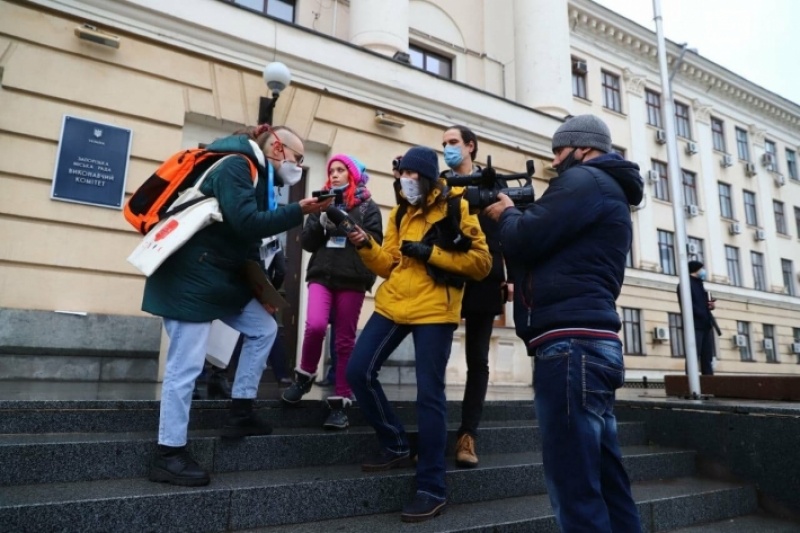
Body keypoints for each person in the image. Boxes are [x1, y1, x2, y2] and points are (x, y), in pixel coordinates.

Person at [142, 124, 332, 487]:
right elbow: (246, 224)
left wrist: (263, 292)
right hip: (190, 278)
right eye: (297, 157)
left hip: (216, 278)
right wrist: (300, 209)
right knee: (186, 366)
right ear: (277, 147)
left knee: (263, 329)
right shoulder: (235, 165)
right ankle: (168, 454)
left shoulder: (256, 174)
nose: (298, 165)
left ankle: (241, 410)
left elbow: (246, 243)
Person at [486, 114, 644, 532]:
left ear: (583, 147)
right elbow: (557, 252)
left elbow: (523, 238)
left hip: (571, 348)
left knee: (574, 486)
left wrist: (505, 213)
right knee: (608, 481)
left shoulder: (585, 181)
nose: (554, 162)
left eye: (559, 151)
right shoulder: (607, 190)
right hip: (592, 344)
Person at [345, 146, 492, 523]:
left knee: (430, 395)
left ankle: (431, 486)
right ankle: (394, 442)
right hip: (393, 303)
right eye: (401, 175)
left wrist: (431, 253)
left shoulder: (457, 206)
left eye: (411, 175)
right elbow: (389, 264)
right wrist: (365, 246)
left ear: (426, 178)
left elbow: (481, 263)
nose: (404, 181)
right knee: (358, 371)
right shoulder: (399, 212)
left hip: (434, 310)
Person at [281, 154, 383, 430]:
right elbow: (307, 243)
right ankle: (304, 377)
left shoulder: (368, 207)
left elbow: (376, 246)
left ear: (352, 175)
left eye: (341, 170)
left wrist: (352, 229)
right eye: (332, 170)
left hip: (352, 279)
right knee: (314, 326)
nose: (335, 174)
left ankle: (340, 402)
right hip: (322, 276)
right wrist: (321, 223)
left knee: (344, 341)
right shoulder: (321, 203)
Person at [441, 125, 511, 468]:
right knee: (435, 355)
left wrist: (511, 277)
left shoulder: (492, 183)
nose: (448, 149)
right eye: (445, 144)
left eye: (453, 142)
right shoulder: (439, 182)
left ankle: (468, 435)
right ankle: (433, 433)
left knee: (477, 360)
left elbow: (512, 229)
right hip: (445, 273)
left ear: (471, 146)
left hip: (486, 276)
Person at [681, 260, 716, 375]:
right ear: (696, 270)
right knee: (693, 356)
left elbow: (703, 304)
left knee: (707, 357)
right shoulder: (685, 284)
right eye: (701, 269)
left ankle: (709, 386)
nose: (703, 271)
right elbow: (687, 305)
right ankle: (691, 385)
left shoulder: (700, 284)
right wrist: (702, 313)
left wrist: (710, 306)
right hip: (694, 326)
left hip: (706, 325)